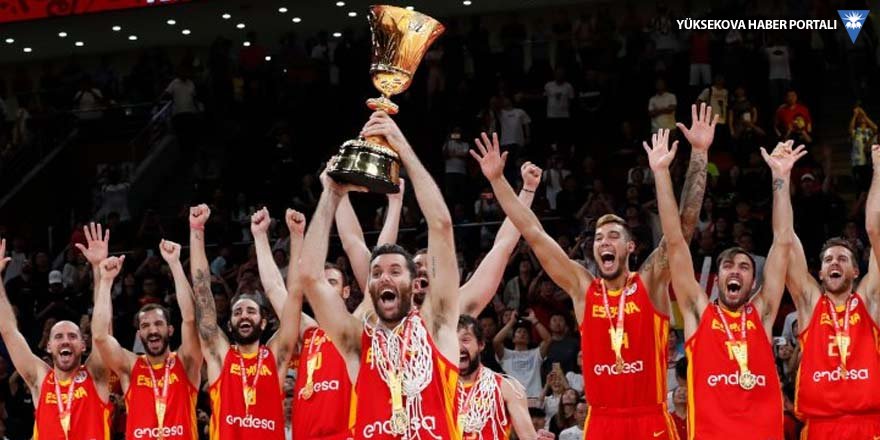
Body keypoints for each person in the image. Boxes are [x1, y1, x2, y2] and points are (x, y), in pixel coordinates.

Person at [471, 104, 718, 439]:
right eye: (599, 237)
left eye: (614, 236)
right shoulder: (582, 288)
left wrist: (699, 153)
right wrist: (498, 181)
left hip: (651, 420)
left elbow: (682, 231)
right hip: (602, 422)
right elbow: (533, 233)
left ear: (630, 247)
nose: (604, 242)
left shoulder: (649, 281)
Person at [300, 111, 461, 439]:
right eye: (376, 273)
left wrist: (401, 147)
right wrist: (332, 195)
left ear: (414, 283)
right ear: (369, 287)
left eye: (395, 271)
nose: (384, 277)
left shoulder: (438, 324)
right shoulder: (356, 343)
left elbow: (441, 226)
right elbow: (311, 278)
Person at [651, 131, 801, 439]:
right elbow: (675, 242)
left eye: (744, 267)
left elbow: (783, 241)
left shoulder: (762, 312)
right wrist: (661, 173)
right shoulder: (698, 312)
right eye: (728, 266)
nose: (736, 271)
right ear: (717, 279)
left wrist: (781, 178)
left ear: (753, 281)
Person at [785, 141, 880, 439]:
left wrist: (878, 171)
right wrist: (782, 178)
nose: (834, 262)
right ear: (821, 272)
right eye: (828, 260)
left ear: (856, 270)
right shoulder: (810, 303)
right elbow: (785, 238)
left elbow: (875, 229)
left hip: (870, 424)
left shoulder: (869, 300)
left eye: (842, 258)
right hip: (820, 427)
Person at [188, 204, 302, 440]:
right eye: (238, 312)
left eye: (251, 311)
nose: (244, 315)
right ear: (229, 325)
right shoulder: (221, 357)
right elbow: (202, 292)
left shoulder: (275, 356)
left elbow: (291, 302)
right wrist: (196, 230)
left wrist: (261, 237)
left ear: (263, 323)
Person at [90, 234, 202, 440]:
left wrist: (175, 264)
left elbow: (190, 318)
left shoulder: (186, 362)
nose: (152, 330)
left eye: (158, 324)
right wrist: (105, 281)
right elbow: (99, 336)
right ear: (139, 334)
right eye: (145, 326)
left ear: (170, 330)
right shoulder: (130, 366)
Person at [0, 237, 112, 440]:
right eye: (58, 336)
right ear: (49, 346)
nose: (65, 340)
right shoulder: (40, 380)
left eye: (72, 336)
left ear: (83, 345)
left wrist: (98, 271)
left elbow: (103, 334)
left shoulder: (96, 376)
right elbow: (9, 331)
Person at [458, 315, 554, 440]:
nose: (458, 347)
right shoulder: (437, 388)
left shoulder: (507, 388)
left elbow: (528, 437)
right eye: (452, 341)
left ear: (481, 344)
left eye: (465, 340)